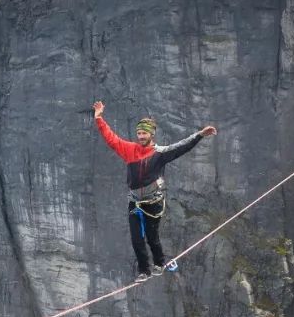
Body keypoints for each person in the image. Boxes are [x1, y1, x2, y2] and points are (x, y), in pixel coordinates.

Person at [93, 101, 217, 282]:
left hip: (154, 203)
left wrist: (199, 135)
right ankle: (144, 270)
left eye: (144, 133)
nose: (141, 136)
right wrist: (99, 118)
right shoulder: (130, 150)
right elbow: (111, 139)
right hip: (135, 202)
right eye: (139, 133)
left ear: (152, 134)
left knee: (152, 238)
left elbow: (182, 146)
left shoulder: (160, 153)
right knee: (137, 240)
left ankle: (159, 263)